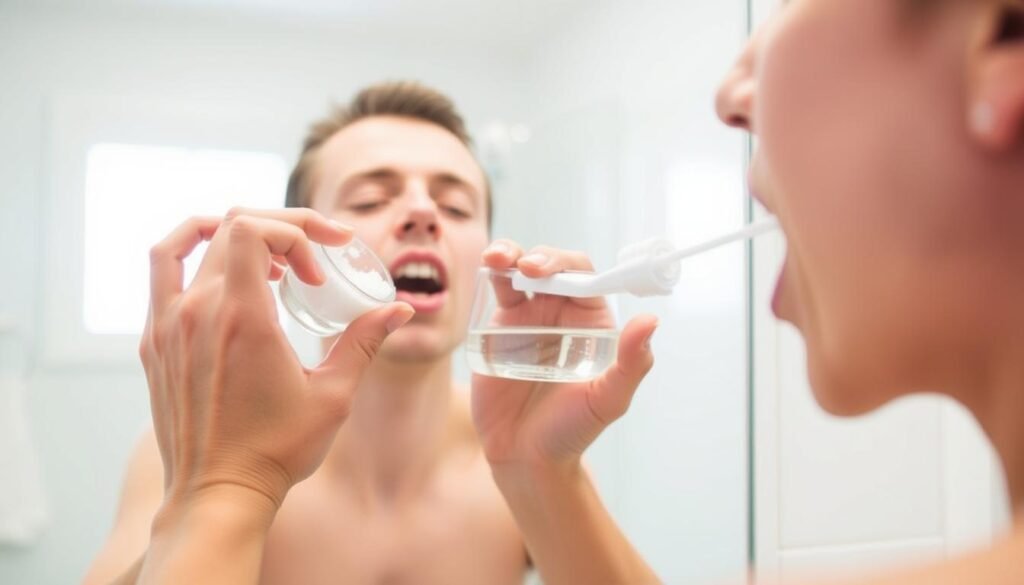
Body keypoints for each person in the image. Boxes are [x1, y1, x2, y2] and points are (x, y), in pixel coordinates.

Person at [83, 80, 659, 585]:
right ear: (291, 251)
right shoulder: (200, 447)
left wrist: (544, 473)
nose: (423, 212)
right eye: (370, 198)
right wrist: (213, 490)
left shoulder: (528, 460)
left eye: (456, 208)